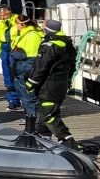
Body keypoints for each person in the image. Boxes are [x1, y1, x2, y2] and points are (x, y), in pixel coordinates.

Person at [25, 19, 82, 149]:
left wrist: (31, 83)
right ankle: (42, 135)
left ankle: (67, 140)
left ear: (47, 29)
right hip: (61, 84)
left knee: (49, 114)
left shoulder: (49, 46)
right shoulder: (68, 45)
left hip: (49, 85)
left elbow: (41, 67)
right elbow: (72, 67)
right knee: (43, 110)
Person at [10, 13, 44, 123]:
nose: (16, 27)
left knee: (28, 95)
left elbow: (30, 54)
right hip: (21, 66)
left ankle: (32, 118)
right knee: (22, 93)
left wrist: (15, 54)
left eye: (17, 25)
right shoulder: (25, 33)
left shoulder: (32, 35)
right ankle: (29, 116)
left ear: (23, 25)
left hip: (26, 67)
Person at [0, 3, 21, 110]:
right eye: (1, 14)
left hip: (15, 49)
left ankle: (23, 99)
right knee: (7, 76)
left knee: (16, 74)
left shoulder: (17, 22)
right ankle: (13, 100)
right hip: (5, 50)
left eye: (5, 13)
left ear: (10, 13)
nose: (3, 16)